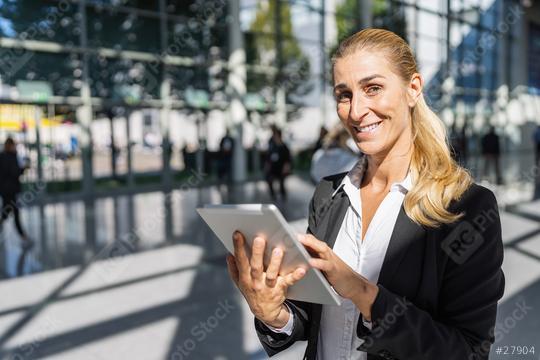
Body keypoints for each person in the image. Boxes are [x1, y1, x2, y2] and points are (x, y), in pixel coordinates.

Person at [226, 29, 504, 360]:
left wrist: (364, 294)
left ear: (412, 89)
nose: (356, 111)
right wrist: (273, 314)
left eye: (372, 89)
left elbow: (468, 351)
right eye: (344, 95)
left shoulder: (466, 208)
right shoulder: (328, 194)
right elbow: (314, 319)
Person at [0, 137, 33, 249]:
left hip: (5, 190)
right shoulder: (11, 157)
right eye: (14, 145)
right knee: (14, 214)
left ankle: (24, 237)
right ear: (11, 145)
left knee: (6, 214)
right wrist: (24, 168)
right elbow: (15, 172)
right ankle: (24, 237)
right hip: (11, 190)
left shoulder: (2, 156)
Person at [264, 127, 291, 201]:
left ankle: (283, 196)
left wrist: (286, 168)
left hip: (281, 169)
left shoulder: (284, 147)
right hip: (273, 169)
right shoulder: (273, 146)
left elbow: (288, 160)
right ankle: (273, 196)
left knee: (282, 184)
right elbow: (268, 157)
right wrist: (267, 165)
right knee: (269, 180)